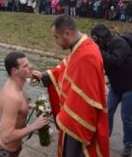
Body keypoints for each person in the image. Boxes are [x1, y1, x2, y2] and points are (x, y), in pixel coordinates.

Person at [31, 16, 109, 157]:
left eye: (56, 37)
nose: (56, 42)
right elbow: (65, 68)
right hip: (72, 115)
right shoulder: (82, 46)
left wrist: (67, 118)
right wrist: (44, 76)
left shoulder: (86, 55)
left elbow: (87, 99)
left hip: (78, 121)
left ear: (67, 33)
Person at [91, 24, 132, 157]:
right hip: (116, 86)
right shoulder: (103, 46)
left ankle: (128, 144)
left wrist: (97, 50)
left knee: (126, 118)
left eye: (96, 38)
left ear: (101, 37)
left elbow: (115, 61)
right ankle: (105, 137)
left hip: (131, 87)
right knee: (108, 112)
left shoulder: (119, 43)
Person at [0, 51, 49, 157]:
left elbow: (19, 107)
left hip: (16, 147)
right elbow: (6, 137)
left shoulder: (18, 86)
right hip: (7, 152)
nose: (31, 67)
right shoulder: (12, 97)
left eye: (28, 63)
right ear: (15, 71)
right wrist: (34, 126)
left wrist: (32, 105)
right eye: (25, 66)